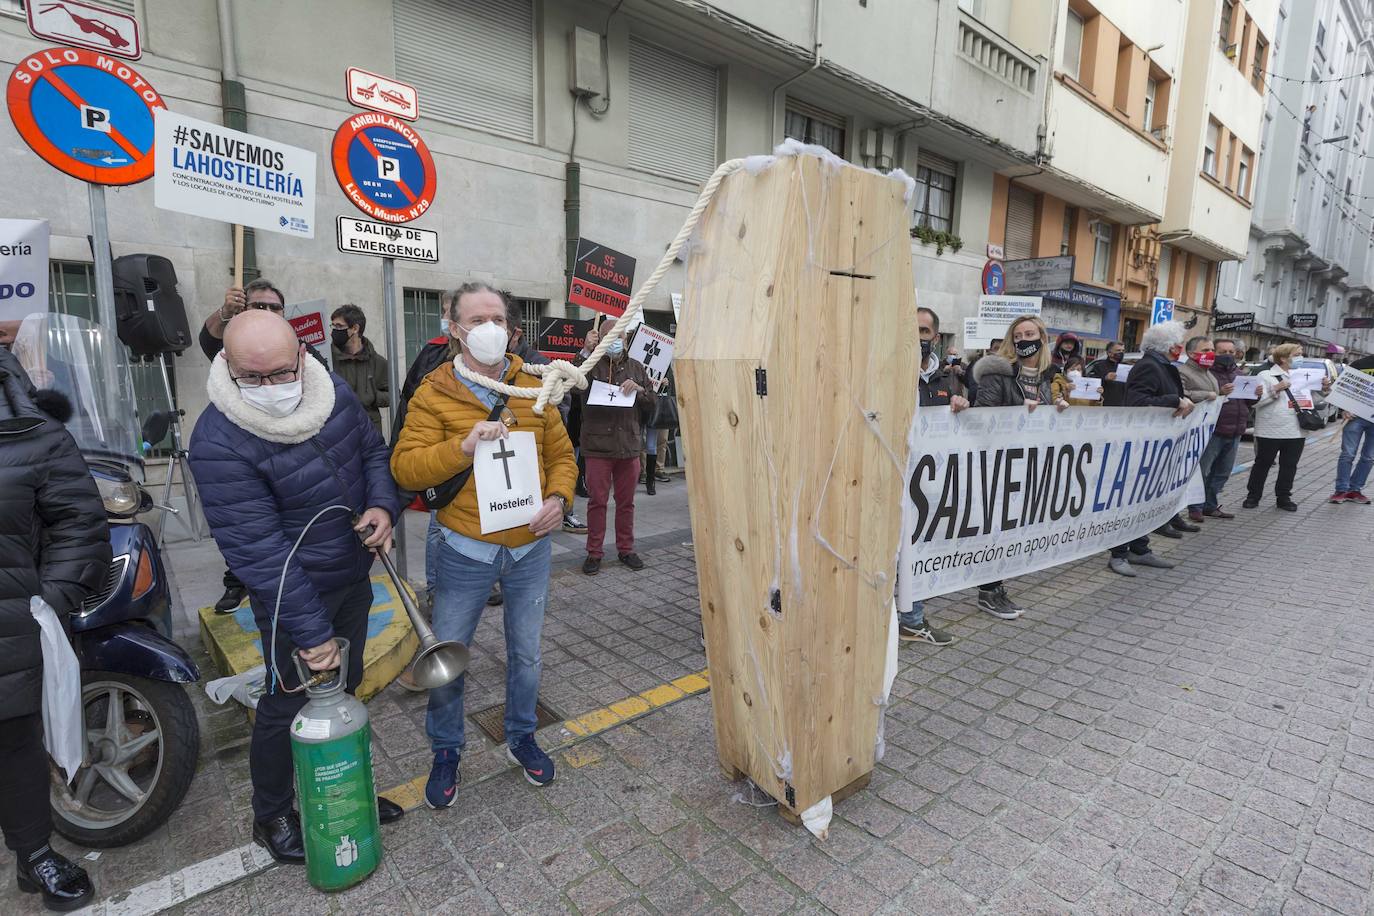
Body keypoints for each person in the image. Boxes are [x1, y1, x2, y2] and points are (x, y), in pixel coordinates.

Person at [189, 310, 405, 863]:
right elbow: (258, 551)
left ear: (303, 357)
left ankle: (346, 788)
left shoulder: (329, 390)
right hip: (291, 596)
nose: (269, 389)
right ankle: (273, 814)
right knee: (288, 703)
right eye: (251, 378)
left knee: (347, 686)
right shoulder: (218, 438)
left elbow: (372, 453)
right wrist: (311, 633)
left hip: (352, 573)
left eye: (281, 373)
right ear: (227, 366)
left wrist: (382, 505)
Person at [390, 282, 577, 808]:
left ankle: (521, 735)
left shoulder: (534, 387)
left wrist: (560, 499)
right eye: (476, 319)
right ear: (454, 329)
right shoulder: (434, 391)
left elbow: (563, 455)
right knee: (448, 655)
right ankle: (446, 750)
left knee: (527, 652)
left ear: (513, 329)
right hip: (464, 547)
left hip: (529, 549)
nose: (489, 327)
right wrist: (462, 445)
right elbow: (405, 466)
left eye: (497, 317)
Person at [0, 348, 110, 912]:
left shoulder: (27, 425)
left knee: (14, 740)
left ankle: (32, 854)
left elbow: (77, 519)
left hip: (11, 616)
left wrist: (46, 603)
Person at [202, 280, 328, 615]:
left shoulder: (304, 353)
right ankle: (238, 584)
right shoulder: (233, 347)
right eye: (259, 307)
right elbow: (209, 338)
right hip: (246, 462)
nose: (269, 313)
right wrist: (224, 314)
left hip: (296, 464)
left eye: (275, 308)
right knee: (250, 535)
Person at [970, 316, 1068, 619]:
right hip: (999, 465)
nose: (1025, 339)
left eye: (1031, 333)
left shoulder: (1050, 376)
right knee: (995, 529)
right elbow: (982, 418)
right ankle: (989, 591)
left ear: (1043, 337)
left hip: (1032, 465)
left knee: (1013, 529)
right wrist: (1017, 414)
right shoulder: (998, 374)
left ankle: (996, 585)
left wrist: (1060, 410)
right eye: (1019, 335)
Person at [899, 307, 967, 646]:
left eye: (924, 332)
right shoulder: (891, 373)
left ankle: (911, 619)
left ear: (935, 338)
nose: (918, 337)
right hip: (894, 481)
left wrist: (960, 404)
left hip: (929, 486)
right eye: (912, 330)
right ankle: (900, 618)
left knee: (920, 549)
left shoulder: (947, 379)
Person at [1107, 321, 1193, 577]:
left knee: (1145, 499)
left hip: (1155, 445)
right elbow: (1137, 402)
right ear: (1169, 345)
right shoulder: (1148, 366)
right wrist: (1174, 400)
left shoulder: (1162, 365)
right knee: (1130, 501)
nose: (1181, 348)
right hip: (1139, 444)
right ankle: (1119, 553)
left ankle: (1140, 549)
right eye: (1179, 343)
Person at [576, 321, 657, 575]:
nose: (615, 340)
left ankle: (626, 549)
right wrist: (585, 353)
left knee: (626, 503)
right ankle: (594, 552)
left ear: (626, 339)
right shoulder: (590, 365)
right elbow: (572, 380)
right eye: (608, 336)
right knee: (597, 502)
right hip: (598, 447)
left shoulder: (636, 367)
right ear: (598, 339)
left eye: (619, 336)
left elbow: (652, 402)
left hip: (628, 447)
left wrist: (641, 390)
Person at [1245, 342, 1328, 511]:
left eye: (1301, 354)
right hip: (1270, 430)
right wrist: (1275, 389)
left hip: (1296, 430)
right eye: (1297, 354)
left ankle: (1283, 498)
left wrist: (1325, 387)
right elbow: (1255, 403)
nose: (1301, 358)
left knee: (1289, 466)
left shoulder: (1304, 375)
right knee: (1263, 464)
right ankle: (1253, 496)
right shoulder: (1265, 375)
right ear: (1283, 358)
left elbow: (1318, 397)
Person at [1188, 337, 1246, 519]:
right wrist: (1219, 393)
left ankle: (1210, 505)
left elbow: (1248, 403)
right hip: (1213, 430)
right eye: (1222, 352)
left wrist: (1256, 395)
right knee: (1203, 471)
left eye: (1231, 352)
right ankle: (1195, 508)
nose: (1228, 356)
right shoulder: (1208, 373)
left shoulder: (1240, 373)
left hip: (1236, 429)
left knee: (1222, 472)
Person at [329, 304, 390, 438]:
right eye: (332, 326)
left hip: (369, 433)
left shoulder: (378, 362)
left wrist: (374, 396)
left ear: (355, 328)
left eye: (339, 326)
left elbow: (393, 396)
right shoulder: (327, 359)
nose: (332, 331)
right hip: (337, 432)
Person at [1332, 353, 1374, 504]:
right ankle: (1341, 490)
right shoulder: (1360, 364)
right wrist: (1344, 408)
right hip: (1355, 416)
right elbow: (1343, 386)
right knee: (1348, 454)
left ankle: (1355, 490)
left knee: (1369, 457)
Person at [1086, 340, 1129, 407]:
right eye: (1118, 350)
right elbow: (1091, 384)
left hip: (1121, 405)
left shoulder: (1126, 367)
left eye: (1123, 351)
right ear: (1109, 353)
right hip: (1104, 404)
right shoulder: (1099, 366)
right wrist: (1105, 378)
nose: (1121, 353)